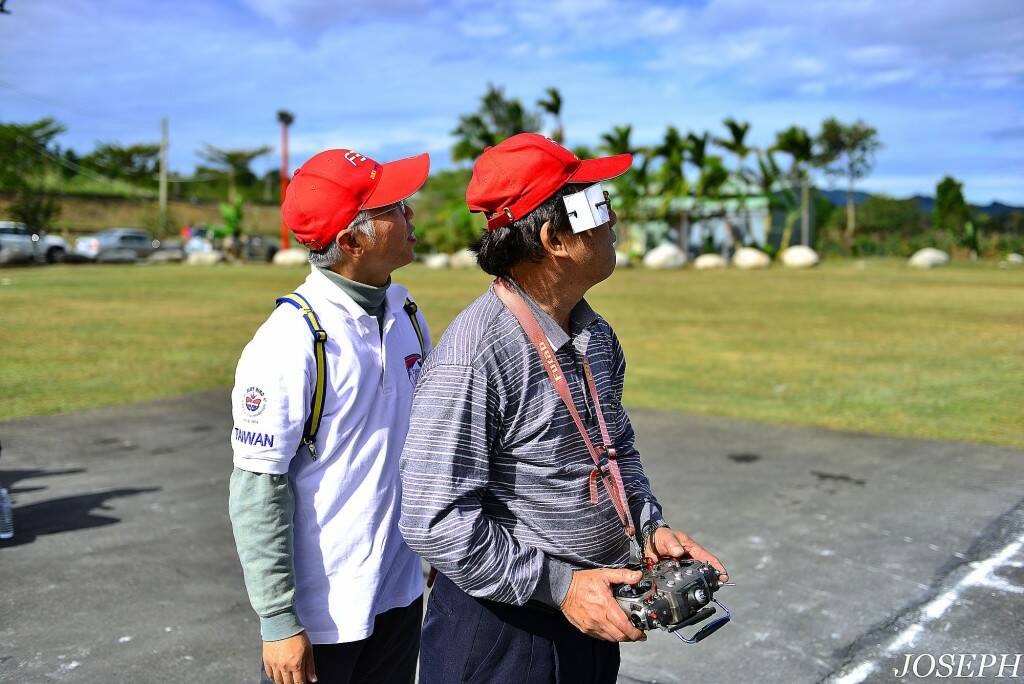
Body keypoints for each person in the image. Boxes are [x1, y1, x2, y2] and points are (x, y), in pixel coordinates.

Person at [399, 133, 728, 683]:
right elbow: (434, 520)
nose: (613, 216)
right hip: (503, 630)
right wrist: (560, 585)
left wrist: (648, 530)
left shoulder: (593, 333)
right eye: (595, 205)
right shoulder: (475, 354)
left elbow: (613, 448)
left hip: (592, 610)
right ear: (553, 237)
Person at [229, 147, 432, 684]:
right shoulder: (289, 340)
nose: (411, 213)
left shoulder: (407, 311)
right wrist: (278, 622)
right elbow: (258, 490)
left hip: (400, 589)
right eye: (394, 207)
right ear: (350, 241)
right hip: (323, 615)